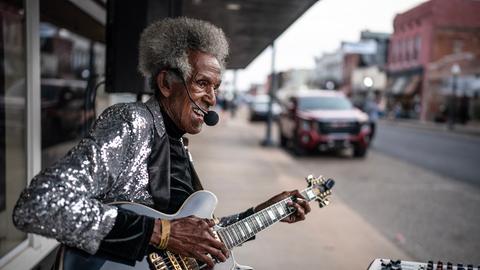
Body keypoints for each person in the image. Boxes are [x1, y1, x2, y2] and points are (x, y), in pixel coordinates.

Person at [12, 17, 310, 268]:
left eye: (216, 87)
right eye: (202, 83)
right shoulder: (133, 122)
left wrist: (260, 213)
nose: (212, 98)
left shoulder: (177, 143)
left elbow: (192, 232)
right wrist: (161, 232)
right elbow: (39, 204)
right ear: (167, 83)